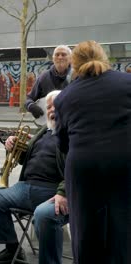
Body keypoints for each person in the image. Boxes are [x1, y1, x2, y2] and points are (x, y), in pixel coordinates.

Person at [54, 40, 131, 264]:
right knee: (125, 227)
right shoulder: (127, 83)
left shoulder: (65, 97)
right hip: (125, 164)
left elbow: (62, 143)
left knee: (86, 230)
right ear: (104, 58)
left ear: (73, 65)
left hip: (84, 169)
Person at [0, 90, 68, 264]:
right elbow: (24, 158)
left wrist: (64, 192)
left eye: (55, 106)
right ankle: (12, 249)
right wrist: (13, 146)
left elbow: (78, 169)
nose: (51, 110)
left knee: (43, 214)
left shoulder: (71, 132)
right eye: (49, 107)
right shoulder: (44, 131)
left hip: (54, 192)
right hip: (26, 187)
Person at [25, 45, 72, 119]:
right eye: (57, 55)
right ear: (53, 58)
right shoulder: (44, 77)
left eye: (63, 54)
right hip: (49, 124)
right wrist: (31, 106)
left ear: (70, 59)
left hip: (71, 124)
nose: (60, 57)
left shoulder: (77, 76)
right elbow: (28, 98)